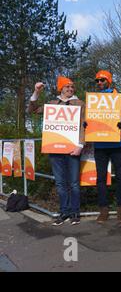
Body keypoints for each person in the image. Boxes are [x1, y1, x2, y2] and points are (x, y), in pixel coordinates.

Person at [27, 76, 85, 226]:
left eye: (72, 87)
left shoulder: (80, 104)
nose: (70, 89)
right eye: (67, 87)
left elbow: (84, 125)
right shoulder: (52, 103)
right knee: (60, 183)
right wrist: (36, 92)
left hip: (73, 148)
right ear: (61, 88)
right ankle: (64, 212)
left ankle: (75, 212)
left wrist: (80, 145)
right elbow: (32, 110)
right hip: (55, 148)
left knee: (73, 183)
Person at [88, 70, 121, 224]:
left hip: (117, 143)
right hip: (100, 144)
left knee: (120, 177)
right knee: (100, 178)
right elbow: (88, 117)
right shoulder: (93, 99)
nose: (99, 83)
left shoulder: (120, 98)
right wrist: (87, 124)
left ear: (109, 81)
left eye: (102, 80)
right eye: (97, 81)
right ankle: (103, 210)